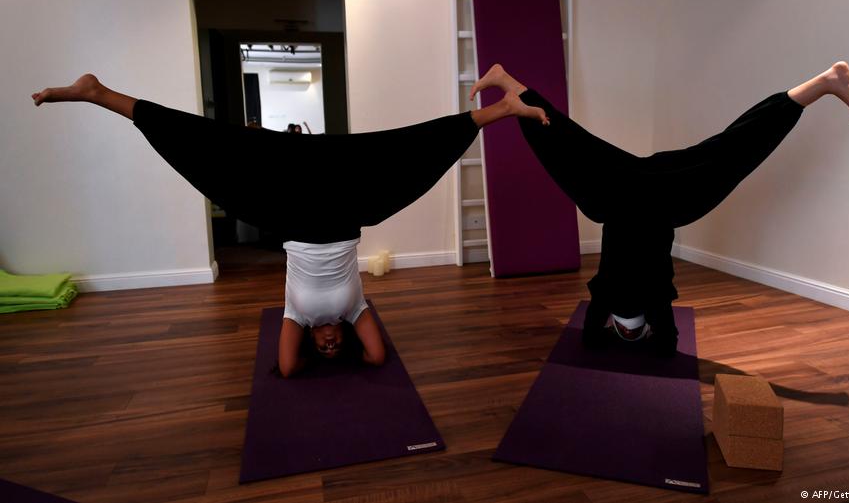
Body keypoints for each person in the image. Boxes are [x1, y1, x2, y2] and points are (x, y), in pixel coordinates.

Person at [32, 73, 548, 376]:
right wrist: (350, 334)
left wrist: (305, 344)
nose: (329, 345)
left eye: (323, 347)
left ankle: (98, 93)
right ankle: (502, 107)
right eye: (335, 345)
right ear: (343, 334)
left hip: (289, 210)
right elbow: (375, 357)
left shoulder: (295, 319)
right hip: (347, 204)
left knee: (210, 148)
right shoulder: (353, 309)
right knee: (404, 151)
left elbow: (286, 369)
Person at [469, 62, 849, 357]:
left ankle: (823, 83)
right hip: (639, 188)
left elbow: (657, 341)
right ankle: (510, 85)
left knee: (733, 148)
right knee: (574, 148)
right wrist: (622, 335)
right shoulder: (617, 292)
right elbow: (639, 341)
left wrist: (634, 337)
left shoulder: (643, 293)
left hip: (650, 191)